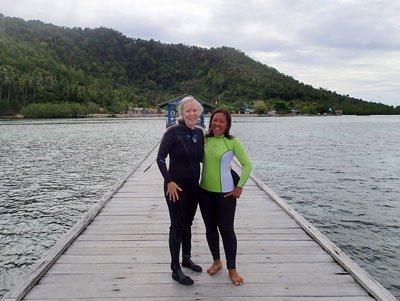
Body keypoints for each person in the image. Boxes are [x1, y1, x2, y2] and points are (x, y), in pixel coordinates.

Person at [199, 108, 252, 286]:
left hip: (226, 194)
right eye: (215, 120)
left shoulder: (232, 142)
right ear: (210, 121)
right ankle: (216, 261)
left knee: (227, 230)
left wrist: (239, 187)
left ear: (227, 124)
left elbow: (247, 165)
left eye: (222, 121)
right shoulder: (204, 139)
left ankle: (232, 268)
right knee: (210, 229)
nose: (217, 124)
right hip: (204, 193)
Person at [157, 96, 204, 285]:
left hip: (194, 187)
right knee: (177, 224)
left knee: (188, 222)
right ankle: (175, 268)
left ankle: (186, 257)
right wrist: (169, 181)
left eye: (195, 111)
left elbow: (204, 158)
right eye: (188, 111)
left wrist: (228, 166)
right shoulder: (173, 133)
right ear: (182, 114)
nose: (192, 114)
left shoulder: (199, 134)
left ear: (199, 114)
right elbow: (160, 159)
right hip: (175, 187)